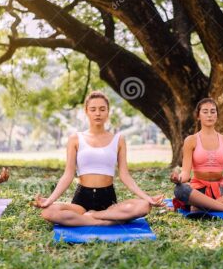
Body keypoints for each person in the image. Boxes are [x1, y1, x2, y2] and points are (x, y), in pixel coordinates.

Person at [34, 91, 164, 226]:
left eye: (102, 109)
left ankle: (94, 216)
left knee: (144, 206)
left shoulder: (118, 139)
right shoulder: (75, 139)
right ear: (86, 111)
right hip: (82, 199)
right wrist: (49, 200)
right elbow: (68, 174)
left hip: (107, 199)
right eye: (93, 109)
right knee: (48, 212)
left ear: (108, 112)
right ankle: (104, 222)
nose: (98, 113)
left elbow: (124, 175)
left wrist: (148, 198)